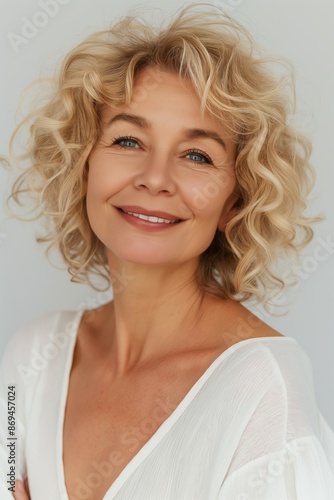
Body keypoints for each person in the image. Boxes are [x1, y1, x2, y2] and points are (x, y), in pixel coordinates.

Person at [1, 3, 334, 499]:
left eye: (197, 155)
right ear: (84, 167)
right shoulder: (28, 360)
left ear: (234, 202)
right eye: (129, 140)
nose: (155, 178)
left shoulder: (264, 389)